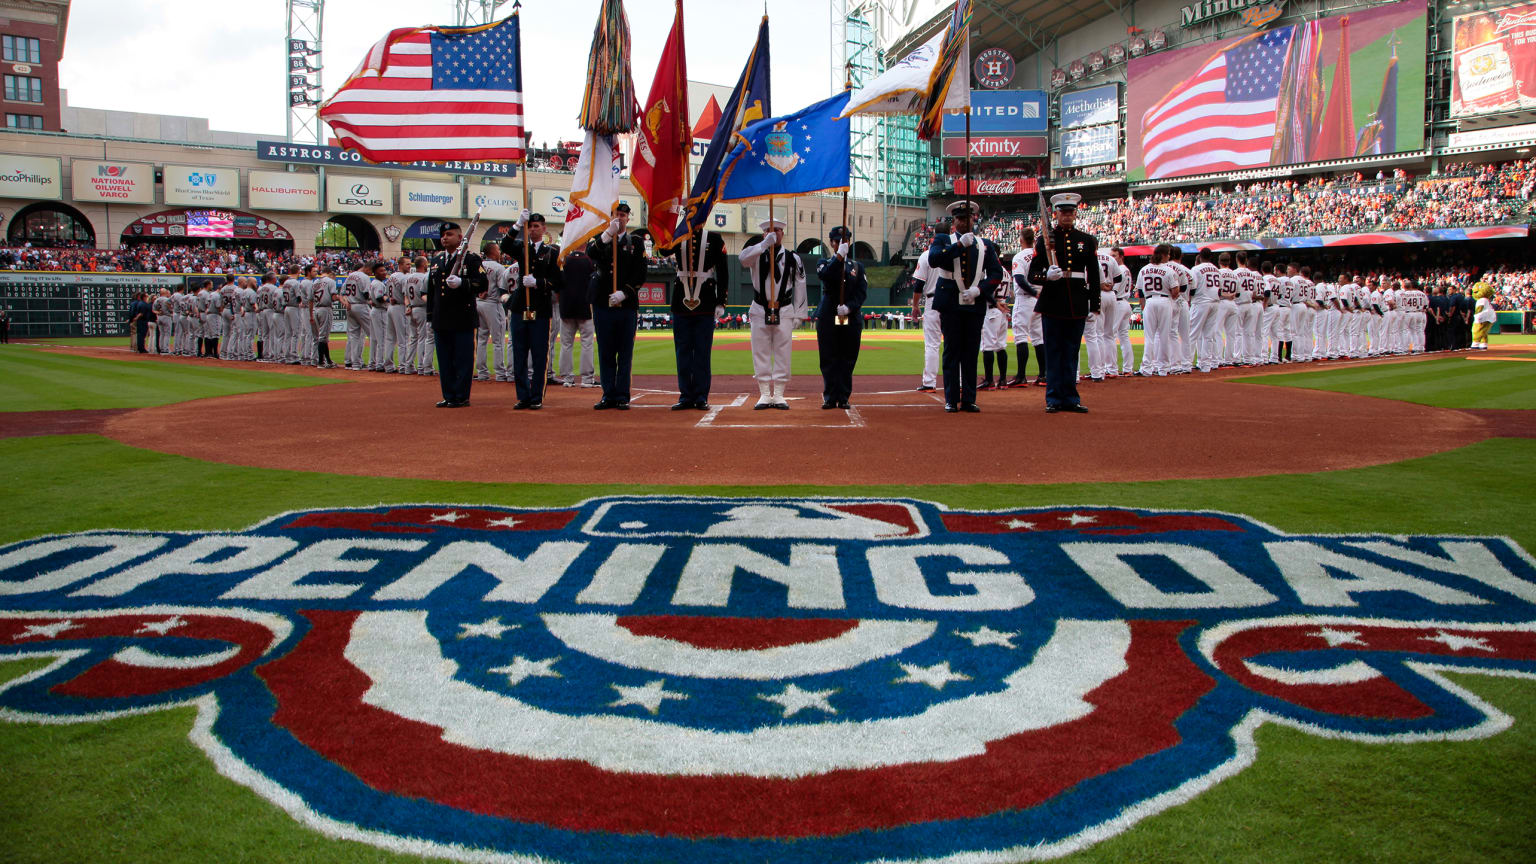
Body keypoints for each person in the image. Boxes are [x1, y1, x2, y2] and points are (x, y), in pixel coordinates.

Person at [1028, 193, 1100, 413]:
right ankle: (1053, 398)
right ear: (1056, 214)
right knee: (1054, 351)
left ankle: (1070, 398)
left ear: (1075, 213)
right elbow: (1032, 274)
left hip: (1077, 300)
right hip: (1053, 301)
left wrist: (1094, 303)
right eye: (1063, 213)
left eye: (1070, 212)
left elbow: (1094, 275)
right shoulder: (1045, 240)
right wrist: (1046, 275)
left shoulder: (1086, 240)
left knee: (1071, 352)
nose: (1067, 216)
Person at [932, 200, 1004, 413]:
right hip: (951, 303)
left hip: (974, 304)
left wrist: (980, 290)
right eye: (960, 218)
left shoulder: (985, 245)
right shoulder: (944, 239)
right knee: (952, 352)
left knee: (971, 352)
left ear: (974, 219)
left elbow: (996, 273)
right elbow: (935, 259)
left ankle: (969, 398)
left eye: (968, 218)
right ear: (953, 221)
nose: (964, 222)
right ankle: (951, 399)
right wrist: (959, 246)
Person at [740, 217, 808, 410]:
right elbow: (743, 259)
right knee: (759, 351)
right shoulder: (756, 254)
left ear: (782, 234)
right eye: (769, 230)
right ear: (763, 233)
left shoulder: (793, 258)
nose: (774, 233)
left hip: (784, 308)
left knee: (783, 352)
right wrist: (762, 245)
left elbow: (800, 285)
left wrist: (799, 314)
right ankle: (763, 394)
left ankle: (778, 394)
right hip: (760, 308)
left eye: (777, 230)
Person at [587, 202, 646, 410]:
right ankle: (608, 394)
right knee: (605, 351)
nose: (619, 218)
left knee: (625, 351)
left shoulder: (636, 242)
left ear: (628, 218)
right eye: (616, 214)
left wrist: (625, 292)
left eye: (622, 215)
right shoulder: (600, 238)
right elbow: (592, 253)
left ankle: (622, 395)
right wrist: (606, 234)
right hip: (603, 302)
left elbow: (641, 272)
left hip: (626, 305)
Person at [503, 210, 563, 409]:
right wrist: (517, 225)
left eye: (537, 226)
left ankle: (536, 396)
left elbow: (559, 282)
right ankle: (523, 395)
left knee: (539, 354)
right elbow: (504, 245)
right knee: (519, 354)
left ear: (544, 229)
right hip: (521, 305)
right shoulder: (521, 248)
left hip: (540, 306)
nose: (533, 229)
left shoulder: (552, 252)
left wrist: (538, 282)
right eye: (530, 226)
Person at [426, 220, 486, 407]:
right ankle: (449, 395)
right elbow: (432, 290)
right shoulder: (436, 261)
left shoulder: (471, 259)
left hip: (462, 318)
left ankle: (461, 396)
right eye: (443, 235)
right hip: (441, 318)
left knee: (462, 360)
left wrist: (463, 283)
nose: (445, 238)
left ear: (461, 237)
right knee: (444, 361)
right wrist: (430, 316)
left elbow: (483, 284)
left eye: (449, 234)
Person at [667, 225, 727, 410]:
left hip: (705, 302)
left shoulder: (715, 239)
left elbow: (723, 271)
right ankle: (686, 395)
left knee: (702, 353)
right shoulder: (677, 236)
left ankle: (701, 396)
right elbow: (663, 250)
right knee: (682, 352)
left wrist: (721, 301)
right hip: (681, 302)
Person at [815, 226, 868, 409]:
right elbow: (826, 275)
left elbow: (861, 293)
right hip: (829, 315)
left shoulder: (857, 267)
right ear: (832, 243)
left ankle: (844, 396)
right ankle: (830, 396)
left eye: (844, 241)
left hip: (850, 317)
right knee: (828, 357)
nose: (841, 244)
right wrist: (838, 258)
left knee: (848, 357)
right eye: (837, 241)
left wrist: (850, 307)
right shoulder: (824, 262)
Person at [556, 246, 597, 386]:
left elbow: (558, 284)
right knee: (587, 343)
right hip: (585, 306)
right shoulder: (589, 261)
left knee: (566, 344)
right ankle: (586, 379)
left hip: (566, 306)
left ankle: (567, 378)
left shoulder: (563, 260)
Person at [1008, 227, 1043, 386]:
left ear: (1021, 240)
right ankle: (1043, 375)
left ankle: (1021, 376)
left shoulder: (1020, 256)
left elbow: (1020, 280)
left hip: (1025, 298)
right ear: (1033, 240)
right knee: (1039, 337)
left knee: (1021, 336)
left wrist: (1032, 292)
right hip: (1040, 299)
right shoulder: (1039, 255)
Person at [477, 244, 511, 382]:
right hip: (492, 303)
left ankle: (482, 372)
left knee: (481, 339)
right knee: (498, 340)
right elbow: (502, 287)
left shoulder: (478, 265)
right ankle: (500, 373)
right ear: (492, 251)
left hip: (478, 303)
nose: (499, 251)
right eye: (497, 249)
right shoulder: (498, 267)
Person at [912, 245, 943, 392]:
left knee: (932, 344)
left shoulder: (926, 255)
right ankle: (960, 382)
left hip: (933, 300)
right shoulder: (954, 253)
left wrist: (915, 305)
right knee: (956, 344)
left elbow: (919, 284)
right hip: (954, 301)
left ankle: (929, 382)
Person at [311, 265, 338, 368]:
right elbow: (333, 297)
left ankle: (328, 361)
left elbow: (310, 299)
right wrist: (339, 298)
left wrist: (310, 314)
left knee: (322, 337)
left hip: (315, 309)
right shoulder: (330, 281)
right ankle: (321, 362)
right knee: (323, 337)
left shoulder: (315, 282)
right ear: (329, 273)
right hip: (325, 309)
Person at [1473, 282, 1497, 349]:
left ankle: (1475, 343)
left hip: (1483, 316)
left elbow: (1479, 308)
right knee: (1484, 331)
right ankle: (1484, 344)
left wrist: (1475, 315)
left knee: (1476, 330)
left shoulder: (1481, 299)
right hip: (1491, 316)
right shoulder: (1486, 299)